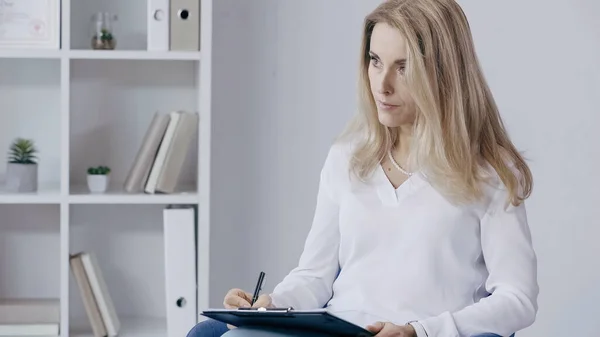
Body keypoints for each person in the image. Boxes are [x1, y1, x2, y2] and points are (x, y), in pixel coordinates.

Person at [188, 0, 539, 336]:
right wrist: (270, 305)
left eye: (404, 68)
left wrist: (422, 330)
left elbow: (517, 299)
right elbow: (314, 275)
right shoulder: (348, 157)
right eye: (375, 61)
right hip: (334, 328)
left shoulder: (489, 172)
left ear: (444, 73)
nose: (382, 85)